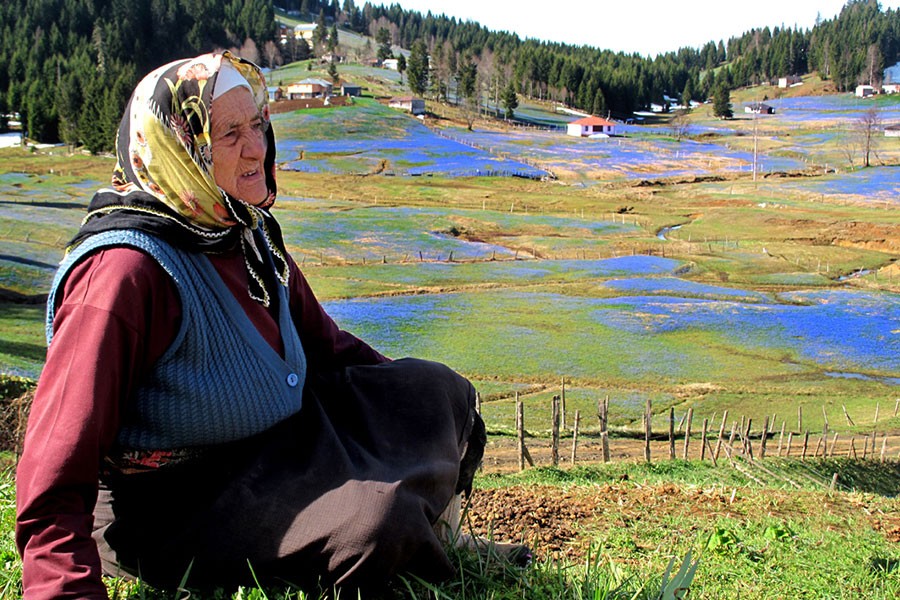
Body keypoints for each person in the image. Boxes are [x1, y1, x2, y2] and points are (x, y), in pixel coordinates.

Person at [15, 52, 525, 599]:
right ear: (178, 148)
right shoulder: (123, 275)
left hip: (271, 441)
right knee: (374, 519)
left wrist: (407, 408)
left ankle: (440, 534)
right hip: (174, 502)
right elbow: (55, 468)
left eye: (257, 123)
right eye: (229, 133)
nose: (257, 147)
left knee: (434, 390)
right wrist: (63, 586)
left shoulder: (244, 228)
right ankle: (412, 541)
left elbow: (326, 345)